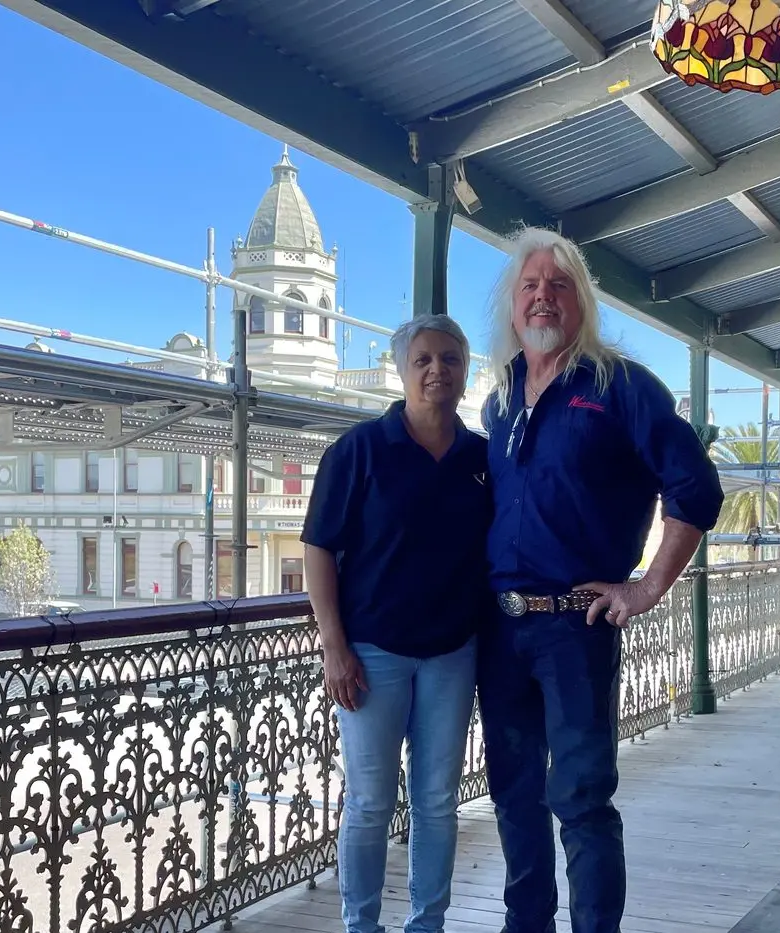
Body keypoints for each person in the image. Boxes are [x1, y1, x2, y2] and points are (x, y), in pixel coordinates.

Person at [477, 227, 724, 933]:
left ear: (580, 300)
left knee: (581, 796)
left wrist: (646, 586)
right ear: (513, 302)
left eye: (558, 285)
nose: (543, 296)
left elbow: (695, 489)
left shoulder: (621, 386)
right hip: (500, 626)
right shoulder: (500, 404)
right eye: (530, 285)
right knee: (513, 793)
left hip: (574, 626)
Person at [302, 314, 491, 933]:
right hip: (372, 654)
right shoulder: (358, 450)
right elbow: (319, 549)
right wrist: (334, 646)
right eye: (424, 360)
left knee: (437, 802)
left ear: (465, 372)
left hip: (451, 654)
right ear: (402, 370)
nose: (438, 370)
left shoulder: (480, 460)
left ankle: (427, 924)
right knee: (368, 802)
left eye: (451, 359)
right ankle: (362, 926)